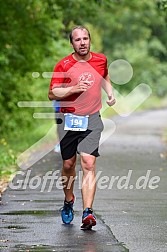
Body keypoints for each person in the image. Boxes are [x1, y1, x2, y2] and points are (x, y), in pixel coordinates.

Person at [48, 26, 116, 229]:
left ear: (90, 40)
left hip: (92, 118)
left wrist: (110, 93)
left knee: (88, 162)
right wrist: (73, 89)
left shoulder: (100, 60)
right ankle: (69, 201)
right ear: (72, 43)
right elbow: (53, 94)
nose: (82, 42)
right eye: (78, 40)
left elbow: (105, 76)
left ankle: (88, 212)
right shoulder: (63, 65)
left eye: (85, 38)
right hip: (69, 120)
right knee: (68, 165)